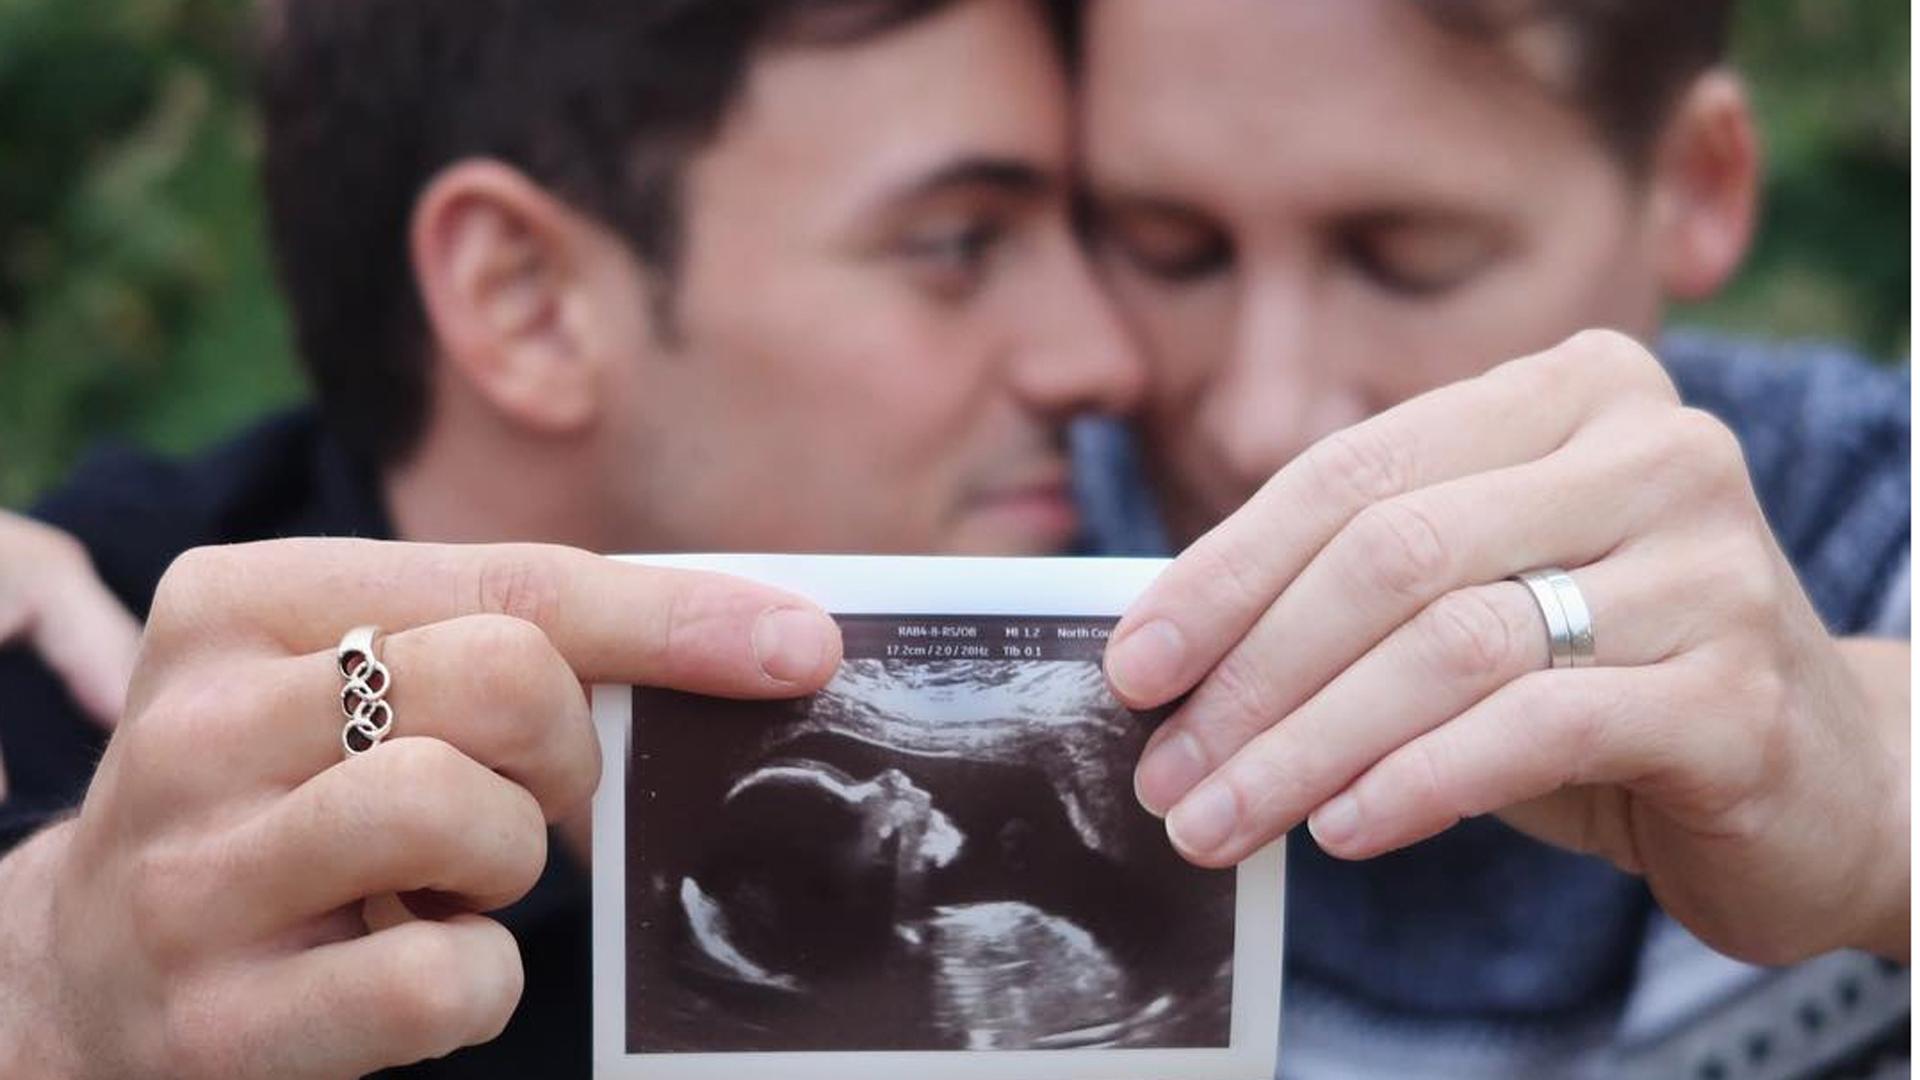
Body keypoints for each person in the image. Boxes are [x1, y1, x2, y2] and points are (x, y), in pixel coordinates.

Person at [0, 0, 1143, 1075]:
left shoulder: (1160, 599)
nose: (1105, 359)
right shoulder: (72, 681)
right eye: (957, 243)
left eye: (1106, 237)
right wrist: (51, 1003)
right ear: (527, 300)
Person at [1076, 0, 1910, 1074]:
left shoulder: (1882, 518)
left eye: (1407, 259)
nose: (1260, 419)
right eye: (1169, 251)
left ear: (1696, 182)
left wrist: (1887, 817)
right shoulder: (992, 534)